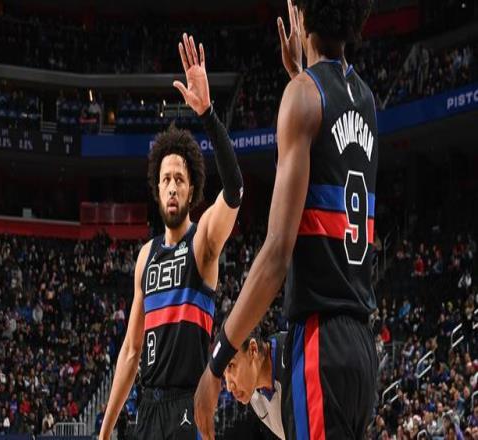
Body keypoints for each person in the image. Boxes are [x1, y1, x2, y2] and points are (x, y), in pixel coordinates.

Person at [194, 0, 378, 439]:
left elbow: (277, 253)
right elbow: (328, 134)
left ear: (305, 15)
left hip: (319, 342)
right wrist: (301, 73)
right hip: (361, 348)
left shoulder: (303, 95)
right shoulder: (367, 101)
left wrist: (217, 363)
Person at [98, 33, 243, 440]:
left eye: (180, 178)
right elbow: (131, 352)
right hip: (147, 407)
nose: (173, 187)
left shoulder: (203, 242)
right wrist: (104, 432)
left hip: (187, 405)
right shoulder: (145, 256)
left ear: (192, 188)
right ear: (157, 189)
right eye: (166, 180)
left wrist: (208, 114)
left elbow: (235, 189)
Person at [223, 327, 287, 439]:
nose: (229, 387)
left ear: (253, 350)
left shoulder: (294, 356)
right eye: (223, 374)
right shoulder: (252, 394)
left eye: (231, 365)